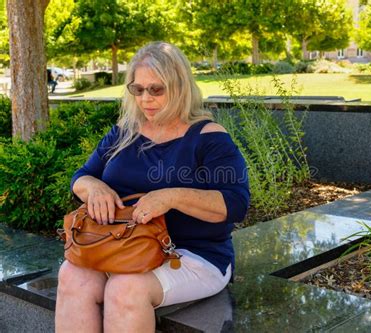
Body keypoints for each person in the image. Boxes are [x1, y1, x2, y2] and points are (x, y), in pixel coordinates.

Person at [55, 41, 250, 333]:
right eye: (138, 89)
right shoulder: (124, 132)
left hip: (192, 255)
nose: (145, 99)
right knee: (72, 274)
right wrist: (93, 187)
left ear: (180, 87)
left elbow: (236, 204)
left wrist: (172, 197)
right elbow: (81, 176)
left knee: (125, 289)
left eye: (156, 89)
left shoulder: (209, 138)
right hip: (123, 247)